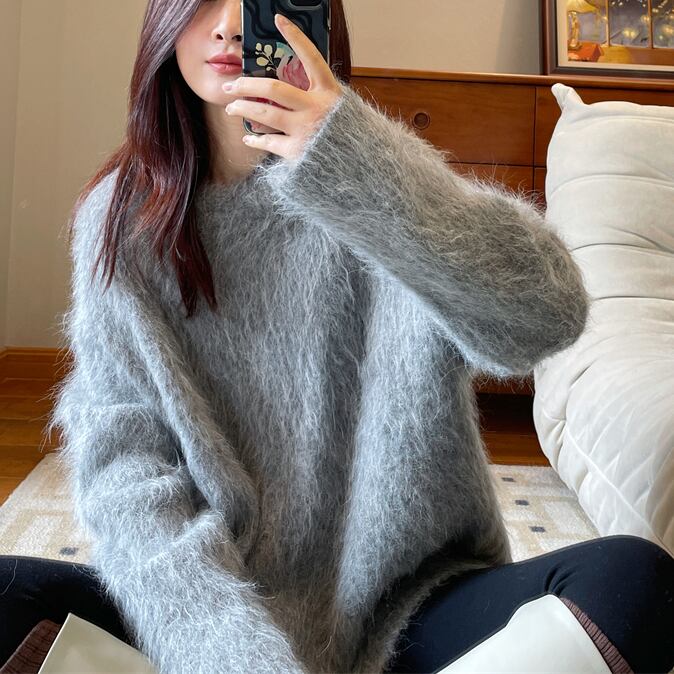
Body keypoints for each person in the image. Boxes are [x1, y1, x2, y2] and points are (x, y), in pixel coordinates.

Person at [2, 1, 672, 673]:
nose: (229, 22)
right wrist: (228, 653)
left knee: (633, 581)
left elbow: (547, 318)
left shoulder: (377, 175)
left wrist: (357, 164)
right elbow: (126, 472)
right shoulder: (122, 220)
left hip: (408, 615)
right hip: (217, 613)